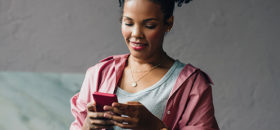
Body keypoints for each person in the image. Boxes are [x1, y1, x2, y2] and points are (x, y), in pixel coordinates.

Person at [70, 0, 219, 129]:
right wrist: (88, 126)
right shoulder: (98, 74)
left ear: (168, 23)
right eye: (128, 23)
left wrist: (155, 126)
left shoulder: (193, 84)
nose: (136, 34)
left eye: (149, 25)